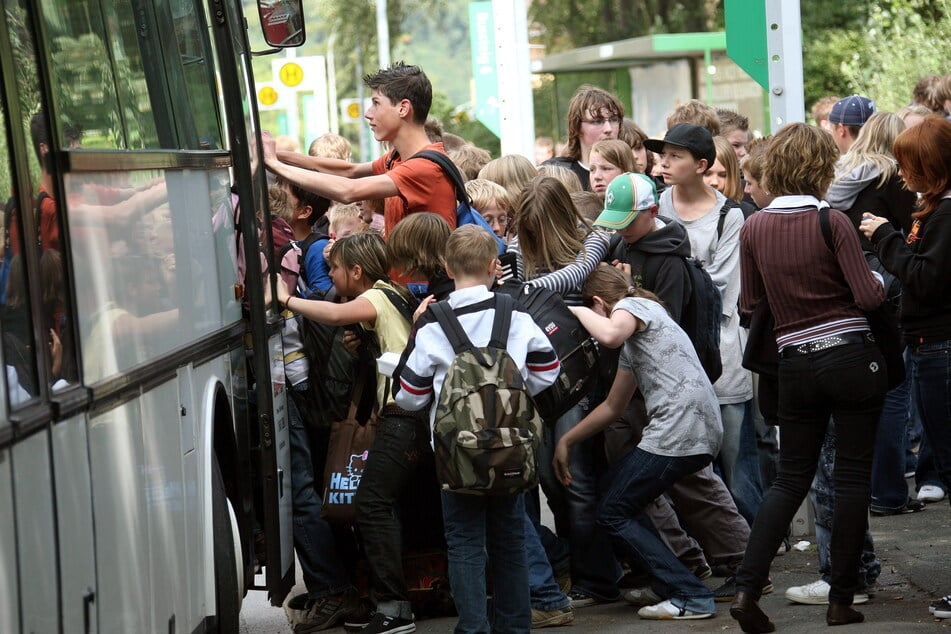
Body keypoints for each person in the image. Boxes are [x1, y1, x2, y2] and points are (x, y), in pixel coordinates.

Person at [730, 122, 886, 633]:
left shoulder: (753, 227)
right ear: (822, 167)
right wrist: (881, 280)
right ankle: (842, 598)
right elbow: (866, 297)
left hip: (792, 363)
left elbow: (750, 308)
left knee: (790, 477)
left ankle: (747, 590)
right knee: (851, 478)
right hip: (848, 358)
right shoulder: (833, 222)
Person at [394, 225, 561, 634]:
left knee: (465, 543)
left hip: (456, 458)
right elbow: (548, 372)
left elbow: (408, 396)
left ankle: (473, 627)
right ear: (493, 267)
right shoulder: (515, 315)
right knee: (509, 540)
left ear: (448, 268)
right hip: (511, 450)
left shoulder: (434, 323)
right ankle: (515, 626)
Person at [555, 265, 722, 621]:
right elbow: (614, 406)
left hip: (679, 429)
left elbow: (611, 335)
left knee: (612, 511)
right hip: (691, 428)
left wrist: (575, 309)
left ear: (599, 302)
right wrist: (567, 440)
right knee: (616, 494)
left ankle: (689, 593)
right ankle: (667, 582)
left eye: (592, 309)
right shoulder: (640, 333)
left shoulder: (634, 308)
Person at [274, 232, 422, 634]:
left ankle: (394, 610)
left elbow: (335, 315)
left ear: (356, 271)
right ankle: (386, 604)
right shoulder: (391, 292)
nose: (331, 275)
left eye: (335, 268)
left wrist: (285, 299)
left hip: (400, 414)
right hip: (404, 412)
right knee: (377, 505)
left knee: (372, 506)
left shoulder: (374, 297)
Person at [506, 176, 617, 608]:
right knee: (553, 478)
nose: (525, 239)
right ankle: (575, 562)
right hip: (539, 379)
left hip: (580, 378)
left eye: (534, 230)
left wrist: (519, 288)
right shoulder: (518, 247)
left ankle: (597, 577)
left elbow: (577, 272)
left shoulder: (590, 242)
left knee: (578, 480)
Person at [646, 124, 761, 530]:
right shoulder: (655, 208)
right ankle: (713, 545)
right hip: (668, 355)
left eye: (675, 155)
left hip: (721, 351)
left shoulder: (730, 215)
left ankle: (755, 542)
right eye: (663, 154)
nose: (664, 162)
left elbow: (723, 287)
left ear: (702, 165)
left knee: (735, 457)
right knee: (689, 461)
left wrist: (673, 277)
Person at [860, 114, 951, 621]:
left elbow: (924, 278)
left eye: (909, 165)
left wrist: (886, 238)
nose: (901, 175)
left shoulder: (944, 217)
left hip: (938, 349)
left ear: (930, 166)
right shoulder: (935, 212)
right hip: (928, 347)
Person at [263, 62, 457, 237]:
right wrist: (274, 154)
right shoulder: (397, 158)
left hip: (421, 278)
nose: (368, 113)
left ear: (403, 108)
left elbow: (350, 190)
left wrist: (273, 164)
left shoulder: (423, 168)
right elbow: (350, 171)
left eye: (376, 103)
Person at [543, 85, 624, 190]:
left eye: (614, 120)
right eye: (597, 121)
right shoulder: (556, 173)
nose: (608, 129)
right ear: (577, 127)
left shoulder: (632, 172)